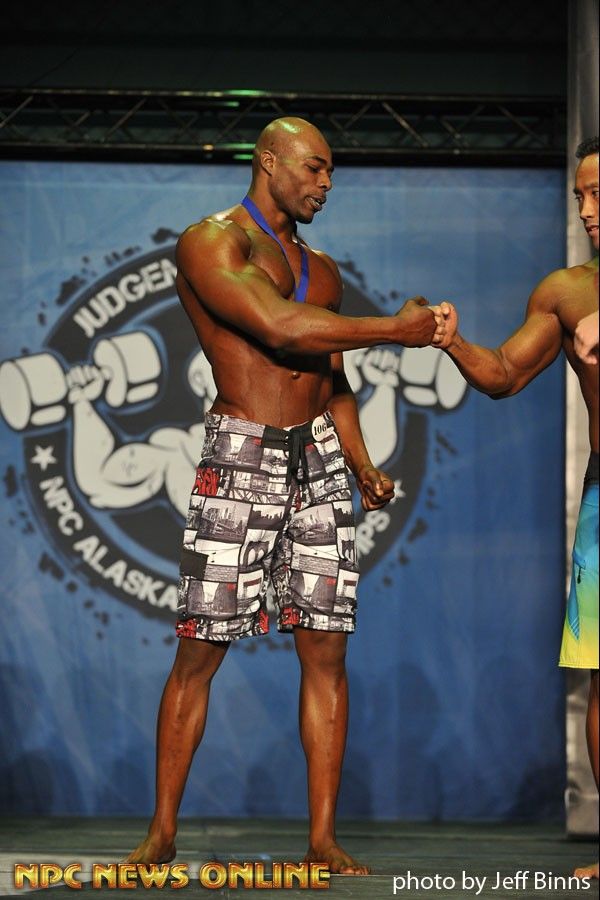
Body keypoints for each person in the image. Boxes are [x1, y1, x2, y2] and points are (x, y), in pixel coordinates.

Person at [126, 116, 447, 874]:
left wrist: (360, 462)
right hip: (242, 452)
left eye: (330, 172)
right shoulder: (212, 243)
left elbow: (332, 379)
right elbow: (278, 328)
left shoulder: (322, 270)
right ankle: (162, 831)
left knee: (327, 649)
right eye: (313, 168)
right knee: (201, 648)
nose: (325, 184)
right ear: (268, 161)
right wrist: (394, 330)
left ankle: (323, 839)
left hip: (320, 459)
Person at [436, 137, 599, 880]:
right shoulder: (566, 292)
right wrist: (453, 343)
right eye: (580, 197)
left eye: (599, 194)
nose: (587, 211)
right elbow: (503, 373)